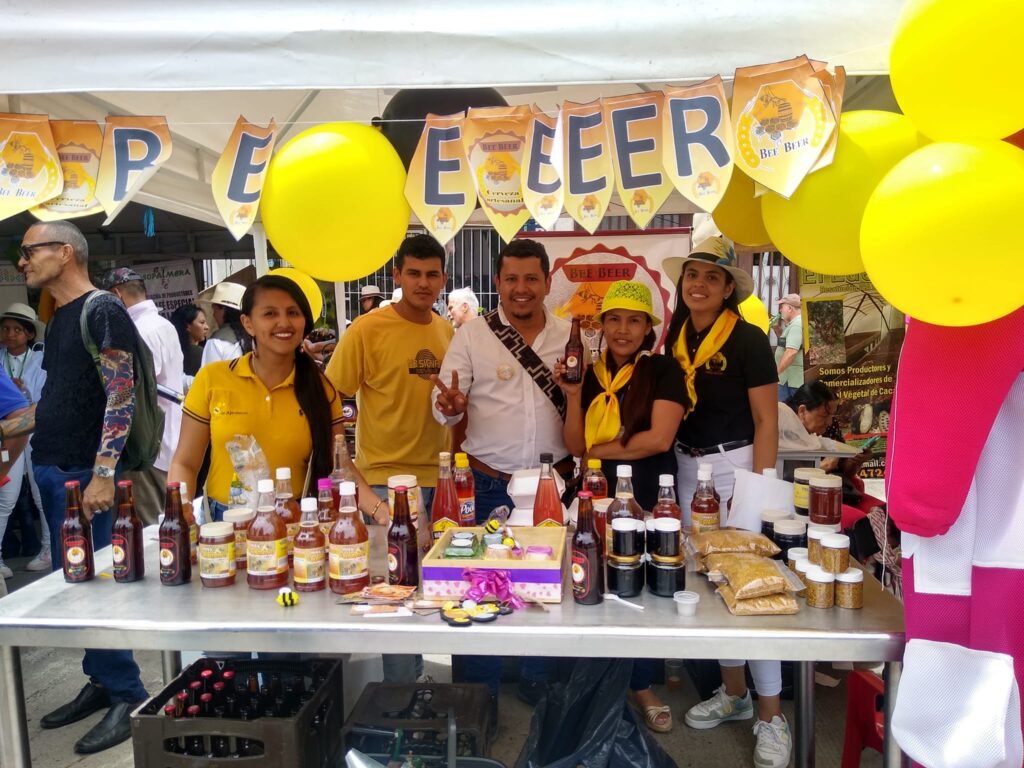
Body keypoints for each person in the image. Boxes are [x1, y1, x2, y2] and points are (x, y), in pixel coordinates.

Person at [18, 219, 148, 755]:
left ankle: (128, 695)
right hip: (54, 468)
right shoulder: (60, 318)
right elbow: (61, 398)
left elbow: (121, 391)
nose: (21, 261)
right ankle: (102, 680)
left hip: (84, 476)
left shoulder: (102, 308)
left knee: (96, 591)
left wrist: (102, 471)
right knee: (76, 589)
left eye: (28, 251)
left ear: (64, 252)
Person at [662, 235, 789, 768]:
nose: (699, 284)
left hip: (738, 468)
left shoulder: (749, 339)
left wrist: (759, 490)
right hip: (689, 469)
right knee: (714, 586)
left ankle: (771, 716)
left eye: (712, 277)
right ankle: (733, 693)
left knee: (752, 591)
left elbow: (767, 422)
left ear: (728, 289)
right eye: (692, 274)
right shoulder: (677, 333)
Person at [431, 238, 569, 718]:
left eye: (532, 278)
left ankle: (538, 682)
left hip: (552, 487)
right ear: (497, 283)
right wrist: (448, 407)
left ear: (548, 282)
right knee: (477, 587)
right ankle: (478, 697)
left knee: (544, 586)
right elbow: (445, 403)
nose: (521, 288)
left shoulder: (569, 336)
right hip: (487, 486)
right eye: (511, 278)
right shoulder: (472, 336)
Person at [555, 280, 688, 734]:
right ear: (602, 325)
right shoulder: (588, 374)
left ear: (648, 328)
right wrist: (574, 397)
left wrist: (597, 450)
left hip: (652, 493)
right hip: (598, 493)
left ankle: (642, 683)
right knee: (599, 582)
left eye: (634, 321)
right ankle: (604, 681)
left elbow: (659, 439)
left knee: (644, 586)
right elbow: (574, 444)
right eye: (614, 319)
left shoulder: (663, 371)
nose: (623, 330)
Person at [327, 234, 452, 685]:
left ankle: (414, 680)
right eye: (413, 273)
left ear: (442, 279)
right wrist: (348, 469)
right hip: (384, 484)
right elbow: (329, 397)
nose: (422, 282)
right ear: (396, 275)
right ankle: (402, 695)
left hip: (440, 483)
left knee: (430, 590)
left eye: (431, 274)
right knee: (393, 594)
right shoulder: (366, 330)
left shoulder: (445, 330)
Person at [171, 274, 378, 521]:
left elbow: (340, 467)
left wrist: (381, 510)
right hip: (225, 523)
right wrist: (179, 514)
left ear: (304, 322)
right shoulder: (212, 379)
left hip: (298, 521)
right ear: (248, 323)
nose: (283, 322)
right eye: (270, 314)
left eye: (293, 313)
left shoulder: (320, 388)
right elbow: (185, 463)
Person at [102, 268, 184, 525]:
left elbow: (134, 389)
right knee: (169, 521)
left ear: (116, 294)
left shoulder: (138, 331)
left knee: (149, 527)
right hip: (169, 437)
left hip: (148, 443)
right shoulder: (163, 324)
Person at [0, 302, 50, 571]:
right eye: (6, 328)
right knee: (5, 495)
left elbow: (46, 399)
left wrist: (22, 394)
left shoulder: (41, 359)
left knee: (40, 491)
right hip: (7, 433)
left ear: (29, 333)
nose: (10, 334)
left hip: (36, 431)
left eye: (17, 329)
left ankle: (48, 548)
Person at [200, 281, 248, 367]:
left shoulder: (216, 342)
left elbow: (209, 377)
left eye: (214, 310)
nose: (213, 315)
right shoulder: (252, 337)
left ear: (223, 310)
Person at [772, 293, 804, 402]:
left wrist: (776, 374)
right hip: (788, 379)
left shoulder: (796, 325)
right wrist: (776, 329)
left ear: (790, 308)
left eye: (782, 306)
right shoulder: (794, 324)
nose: (780, 310)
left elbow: (791, 351)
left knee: (787, 413)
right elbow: (786, 343)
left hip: (790, 380)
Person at [170, 303, 209, 382]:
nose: (207, 327)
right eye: (202, 322)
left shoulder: (173, 351)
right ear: (187, 326)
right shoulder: (199, 352)